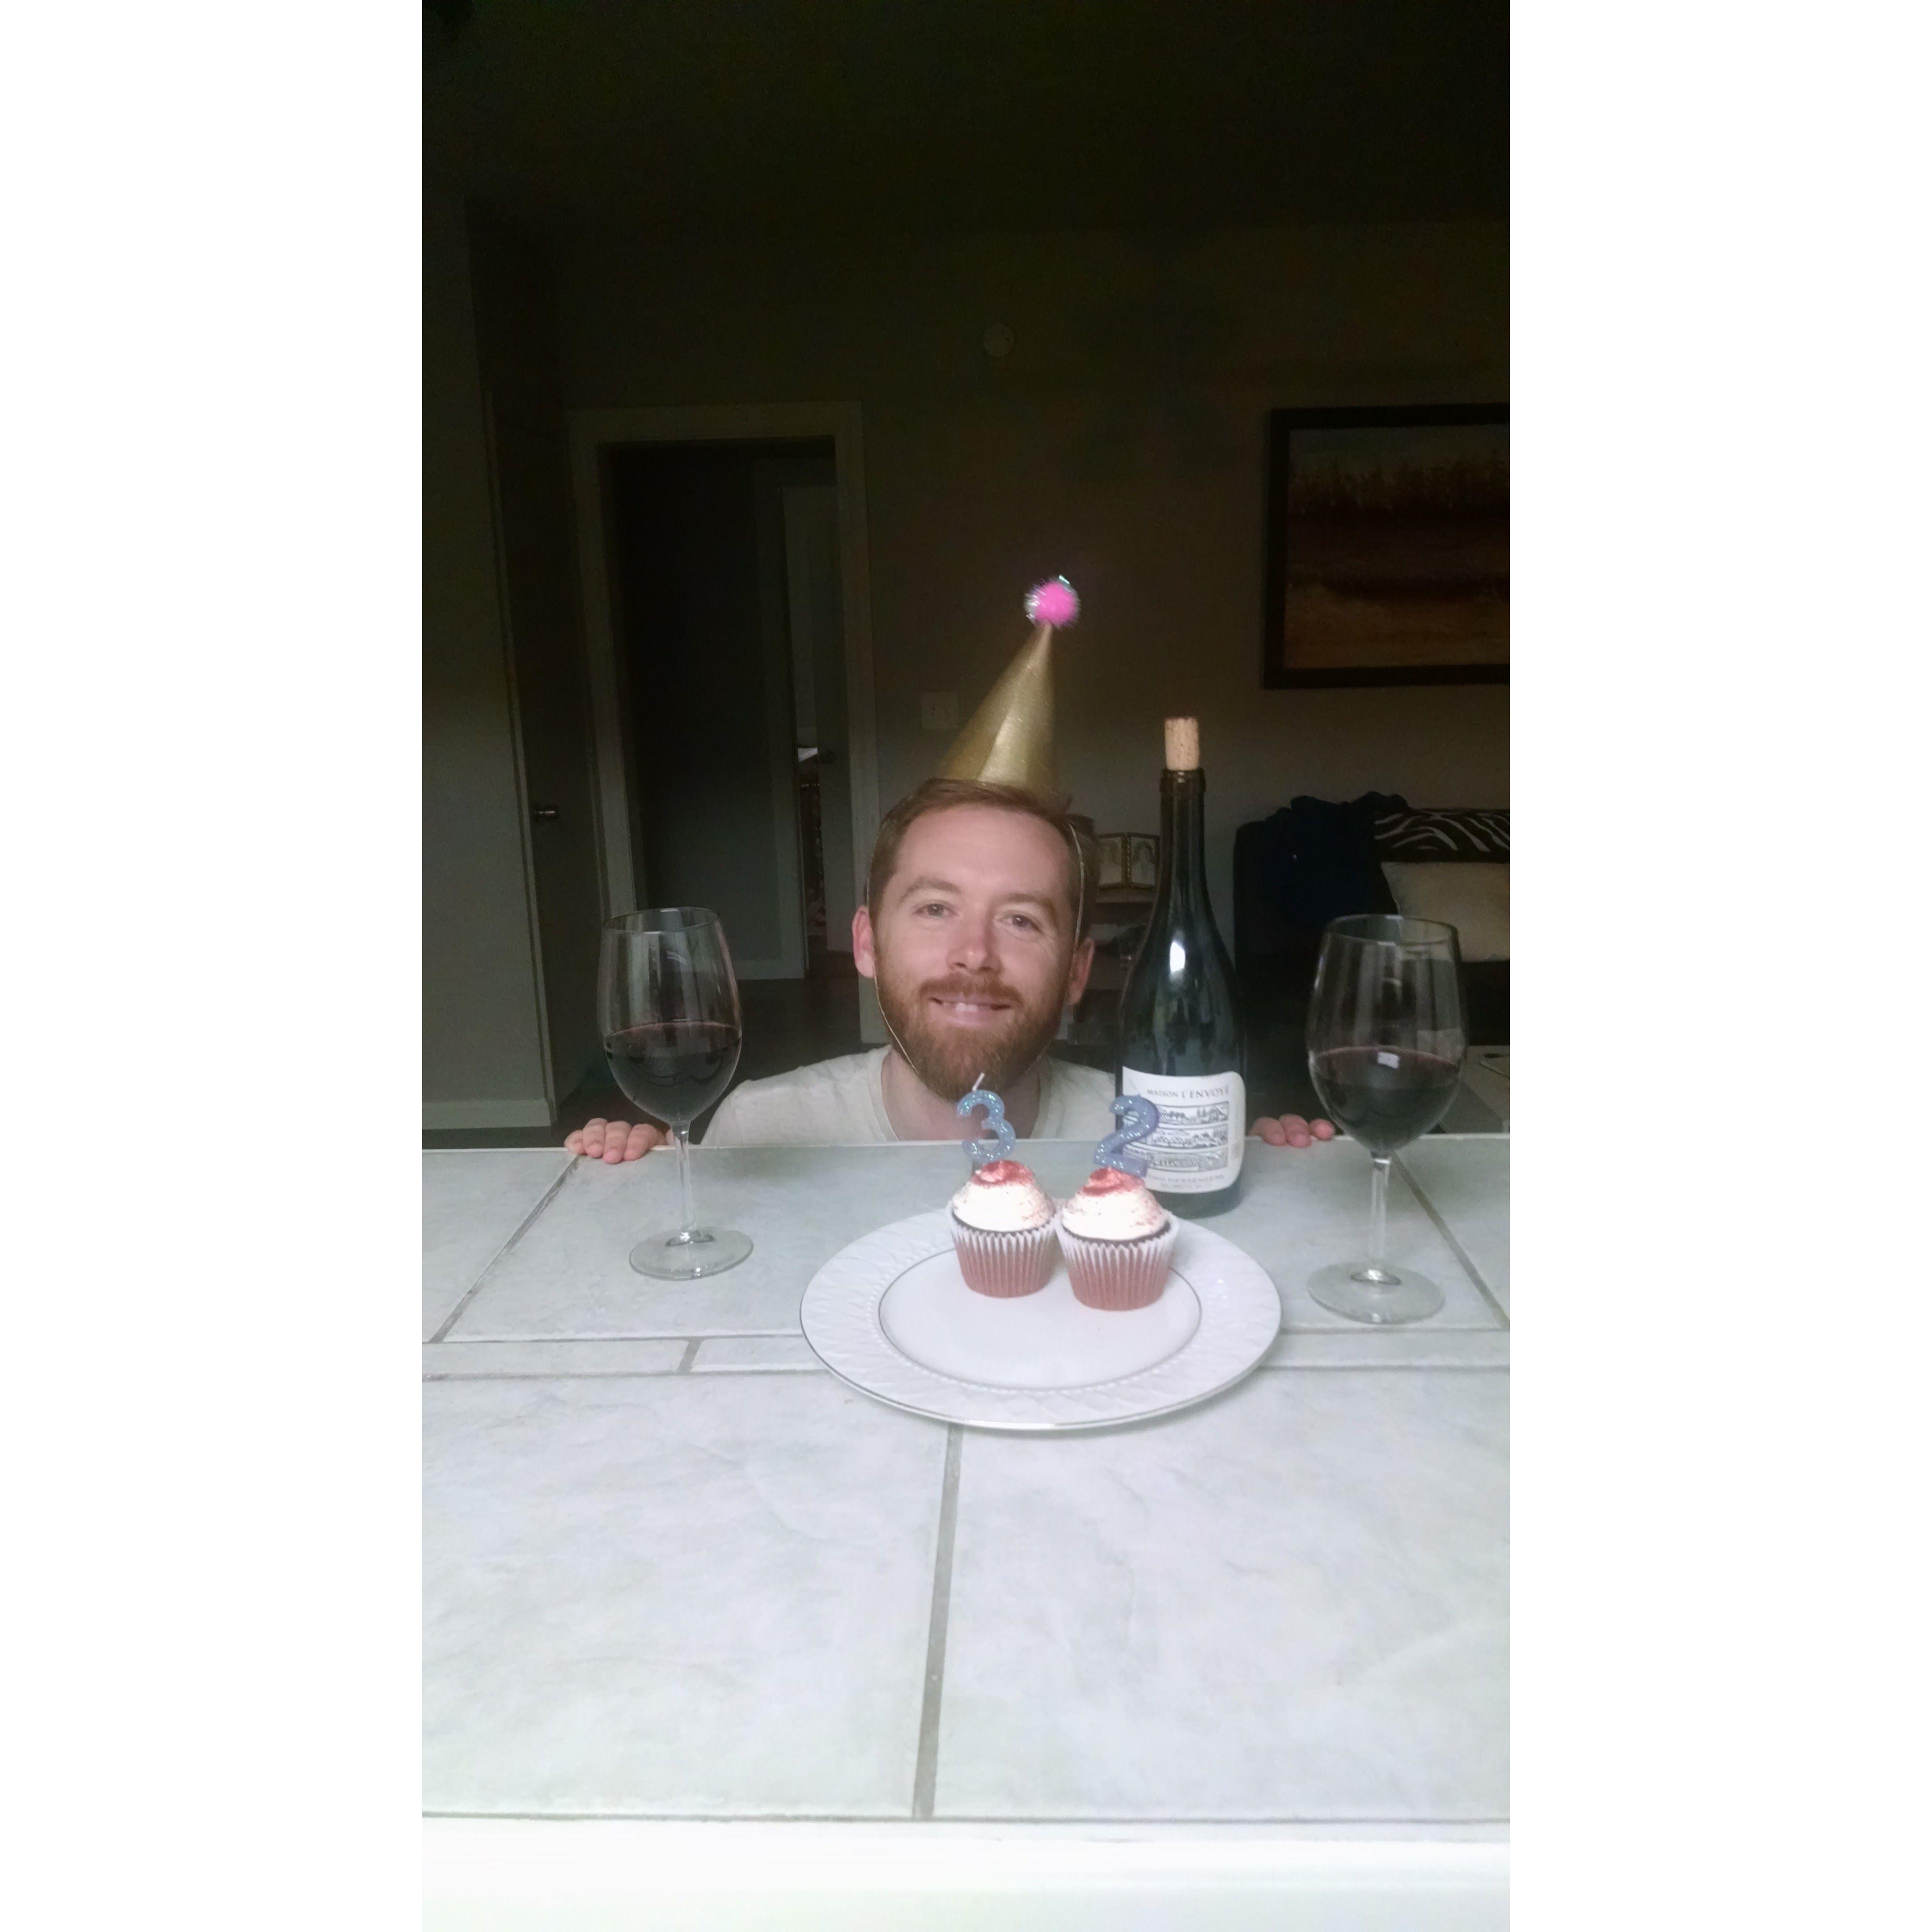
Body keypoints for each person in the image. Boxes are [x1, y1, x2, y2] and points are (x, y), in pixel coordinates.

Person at [568, 777, 1335, 1161]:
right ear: (867, 944)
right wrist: (636, 1179)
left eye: (1021, 920)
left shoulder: (1150, 1136)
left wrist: (1278, 1173)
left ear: (1077, 972)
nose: (975, 953)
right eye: (936, 909)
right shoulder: (760, 1133)